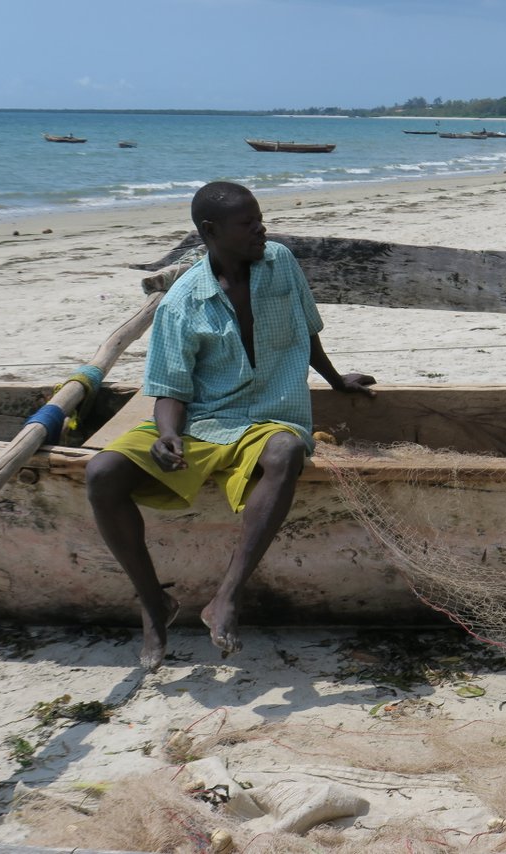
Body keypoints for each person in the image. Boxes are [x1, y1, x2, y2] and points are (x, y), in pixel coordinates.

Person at [86, 181, 376, 672]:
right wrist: (167, 434)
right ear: (210, 231)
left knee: (286, 453)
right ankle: (153, 602)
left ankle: (225, 598)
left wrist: (335, 380)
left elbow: (305, 333)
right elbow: (170, 387)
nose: (261, 228)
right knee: (101, 474)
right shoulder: (183, 302)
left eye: (260, 218)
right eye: (248, 223)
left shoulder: (280, 262)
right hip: (204, 420)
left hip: (270, 415)